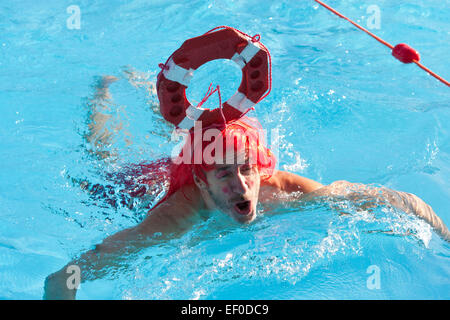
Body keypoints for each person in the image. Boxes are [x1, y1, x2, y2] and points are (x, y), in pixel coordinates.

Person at [43, 75, 450, 300]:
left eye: (246, 169)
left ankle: (160, 100)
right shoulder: (174, 218)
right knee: (103, 165)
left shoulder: (279, 189)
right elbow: (62, 279)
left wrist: (445, 237)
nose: (242, 187)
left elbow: (403, 200)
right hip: (144, 188)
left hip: (197, 157)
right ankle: (103, 95)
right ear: (202, 182)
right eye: (223, 175)